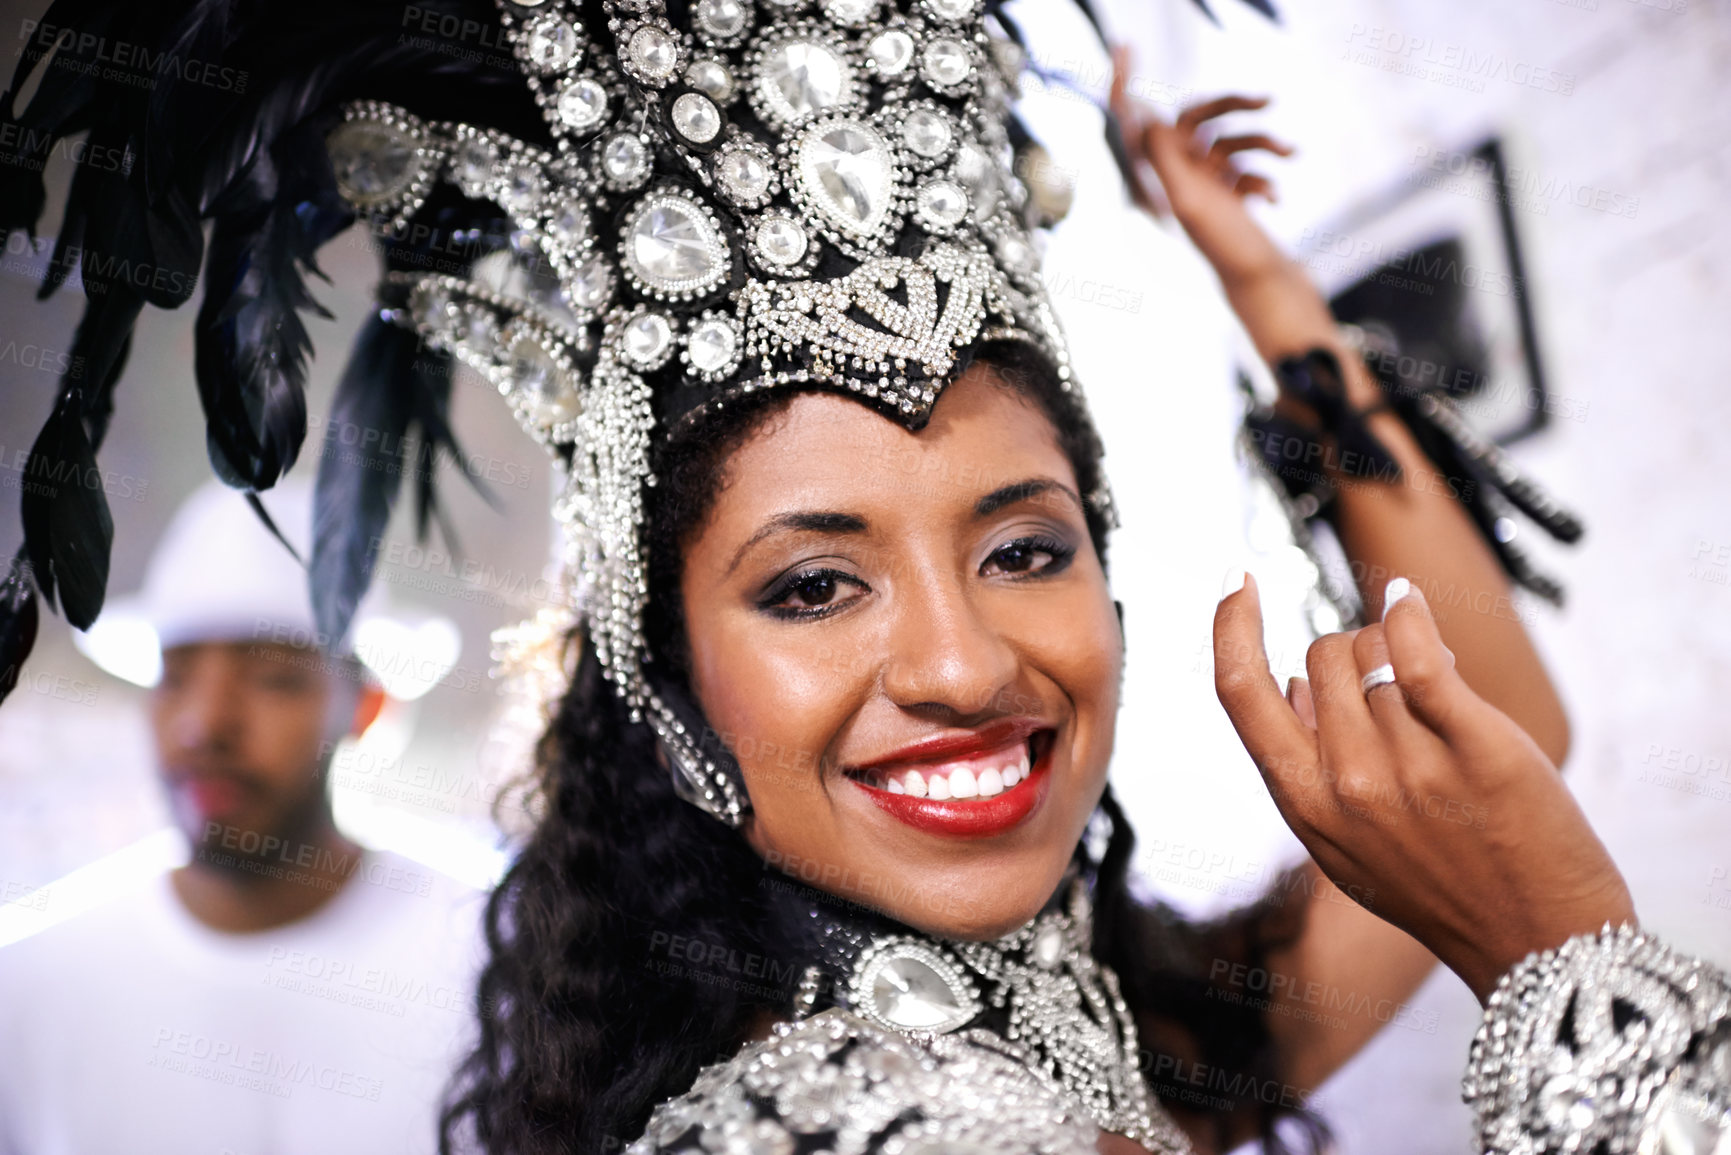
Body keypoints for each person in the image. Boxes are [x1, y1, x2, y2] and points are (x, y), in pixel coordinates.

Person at [0, 2, 1724, 1153]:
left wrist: (1257, 278)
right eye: (814, 587)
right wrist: (1572, 969)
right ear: (665, 682)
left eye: (1024, 549)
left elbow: (1490, 718)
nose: (967, 664)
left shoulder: (1147, 1034)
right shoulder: (829, 1121)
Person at [0, 481, 485, 1155]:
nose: (204, 725)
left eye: (273, 678)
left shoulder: (501, 967)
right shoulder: (25, 987)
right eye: (174, 676)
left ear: (366, 710)